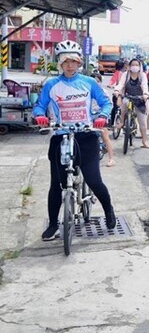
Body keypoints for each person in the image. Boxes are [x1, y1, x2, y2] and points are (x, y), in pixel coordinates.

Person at [33, 40, 116, 240]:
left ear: (79, 63)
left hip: (86, 136)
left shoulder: (89, 82)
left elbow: (106, 103)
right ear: (59, 63)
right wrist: (40, 116)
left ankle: (108, 211)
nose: (70, 65)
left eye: (74, 61)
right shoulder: (51, 85)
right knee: (56, 185)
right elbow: (39, 106)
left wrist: (102, 116)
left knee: (94, 181)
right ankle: (53, 224)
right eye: (65, 61)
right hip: (61, 137)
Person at [114, 57, 149, 148]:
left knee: (142, 122)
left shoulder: (142, 75)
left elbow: (145, 85)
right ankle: (122, 122)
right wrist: (117, 90)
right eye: (133, 65)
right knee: (123, 107)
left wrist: (145, 94)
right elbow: (121, 84)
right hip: (128, 96)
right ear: (129, 66)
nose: (135, 67)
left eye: (137, 65)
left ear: (140, 66)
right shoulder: (125, 75)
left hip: (140, 98)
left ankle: (144, 140)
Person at [90, 72, 116, 167]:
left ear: (100, 82)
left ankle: (111, 159)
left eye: (97, 81)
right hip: (88, 116)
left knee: (105, 137)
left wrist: (103, 116)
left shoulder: (104, 92)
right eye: (93, 81)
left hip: (100, 115)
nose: (95, 83)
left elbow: (108, 105)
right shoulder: (85, 91)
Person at [107, 58, 125, 127]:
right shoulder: (125, 73)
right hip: (124, 94)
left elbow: (112, 81)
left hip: (117, 93)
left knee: (115, 108)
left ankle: (111, 123)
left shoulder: (117, 73)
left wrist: (110, 85)